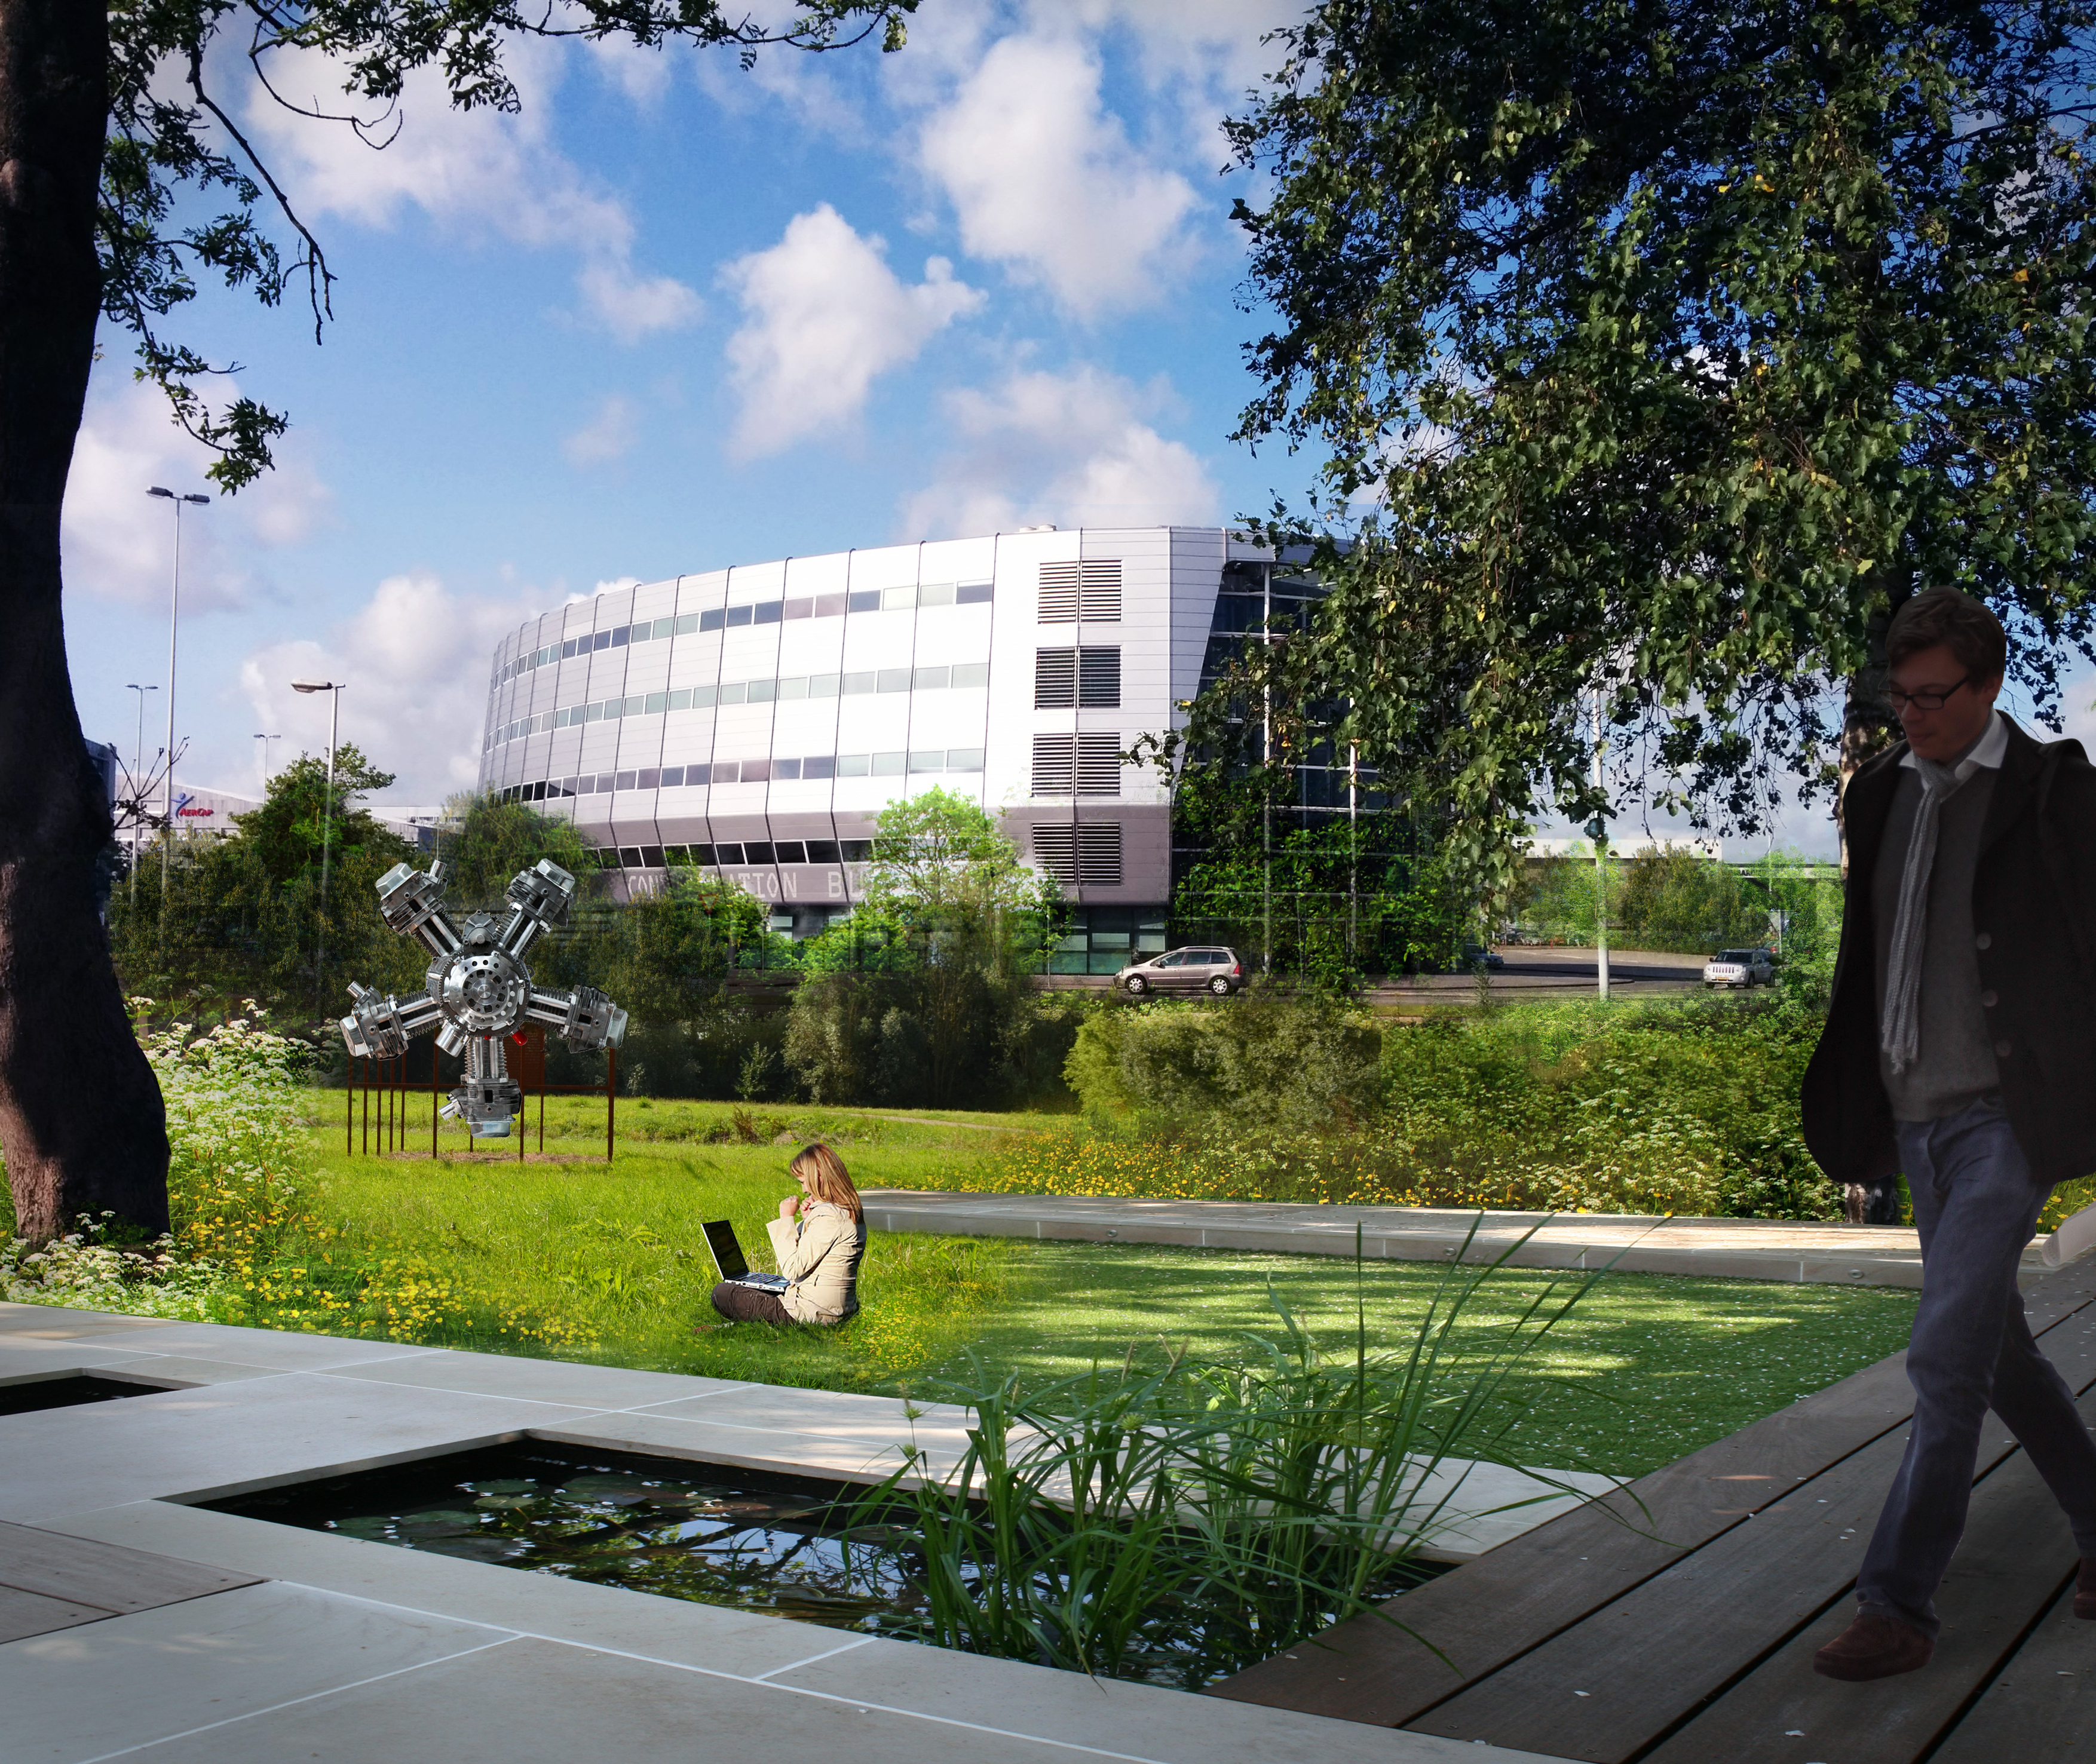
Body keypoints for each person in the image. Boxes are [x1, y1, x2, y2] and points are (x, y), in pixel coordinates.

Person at [1801, 587, 2096, 1682]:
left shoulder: (2056, 793)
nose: (1910, 714)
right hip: (1911, 1113)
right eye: (1899, 694)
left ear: (1985, 686)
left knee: (1940, 1352)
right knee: (1992, 1345)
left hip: (2004, 1118)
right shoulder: (1876, 793)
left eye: (1932, 696)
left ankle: (1896, 1602)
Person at [706, 1143, 866, 1327]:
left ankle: (744, 1327)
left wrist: (786, 1218)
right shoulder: (846, 1209)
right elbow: (812, 1251)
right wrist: (807, 1220)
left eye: (803, 1181)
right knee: (751, 1288)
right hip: (828, 1307)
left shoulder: (830, 1217)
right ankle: (739, 1328)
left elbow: (792, 1269)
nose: (805, 1189)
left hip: (816, 1313)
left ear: (818, 1176)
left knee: (723, 1293)